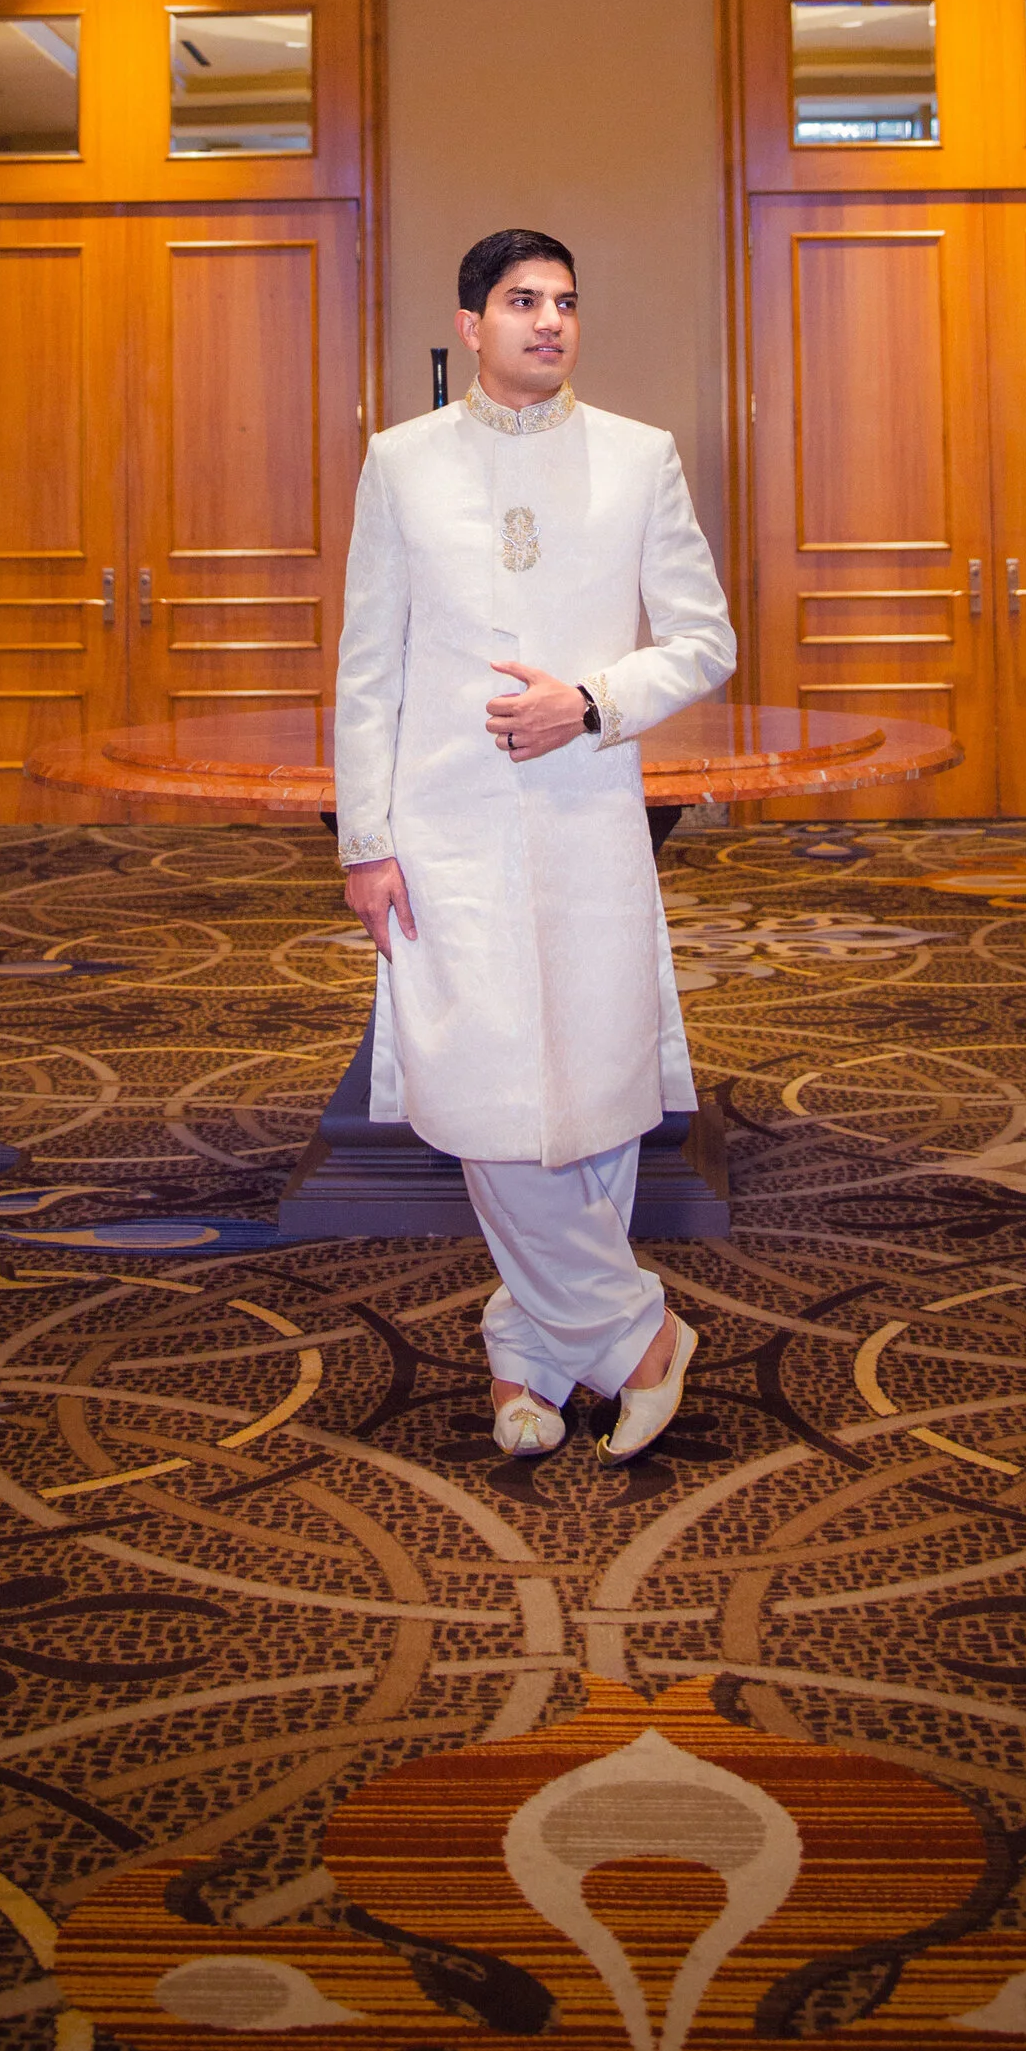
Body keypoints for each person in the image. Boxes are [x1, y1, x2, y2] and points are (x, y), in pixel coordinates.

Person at [332, 228, 736, 1461]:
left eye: (565, 300)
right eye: (520, 302)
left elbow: (703, 640)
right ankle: (639, 1338)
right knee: (492, 1090)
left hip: (586, 814)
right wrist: (366, 839)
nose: (548, 321)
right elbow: (368, 669)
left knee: (599, 1090)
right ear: (471, 325)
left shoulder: (637, 457)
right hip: (443, 829)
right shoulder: (400, 464)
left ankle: (531, 1349)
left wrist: (592, 702)